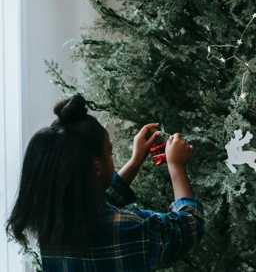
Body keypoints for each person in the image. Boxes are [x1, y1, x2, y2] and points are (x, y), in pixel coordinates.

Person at [5, 94, 204, 272]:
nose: (112, 156)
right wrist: (176, 166)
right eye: (110, 152)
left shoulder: (51, 225)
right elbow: (188, 228)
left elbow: (101, 200)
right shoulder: (130, 228)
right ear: (96, 168)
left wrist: (136, 160)